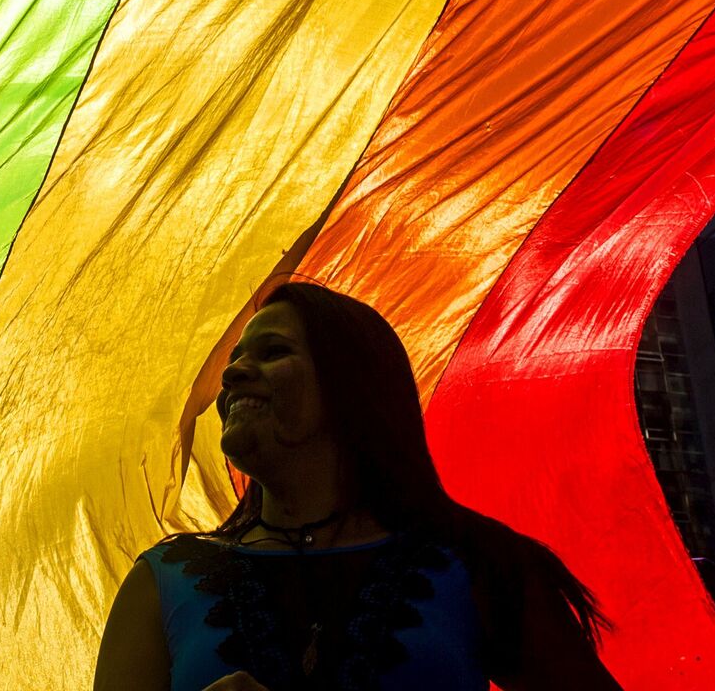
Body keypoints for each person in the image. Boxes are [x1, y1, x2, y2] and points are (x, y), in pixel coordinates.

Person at [93, 282, 621, 691]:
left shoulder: (483, 565)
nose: (232, 376)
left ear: (352, 386)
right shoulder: (159, 585)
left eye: (272, 351)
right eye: (233, 362)